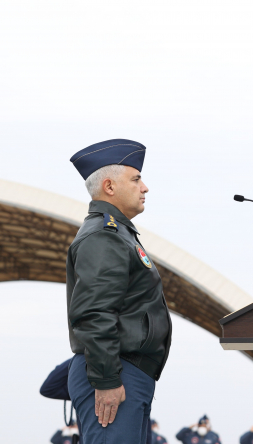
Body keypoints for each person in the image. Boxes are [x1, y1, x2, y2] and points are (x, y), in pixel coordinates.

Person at [66, 139, 172, 444]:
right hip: (115, 372)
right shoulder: (105, 236)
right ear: (109, 187)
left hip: (126, 371)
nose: (145, 187)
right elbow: (94, 312)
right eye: (136, 179)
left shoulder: (118, 234)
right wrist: (107, 379)